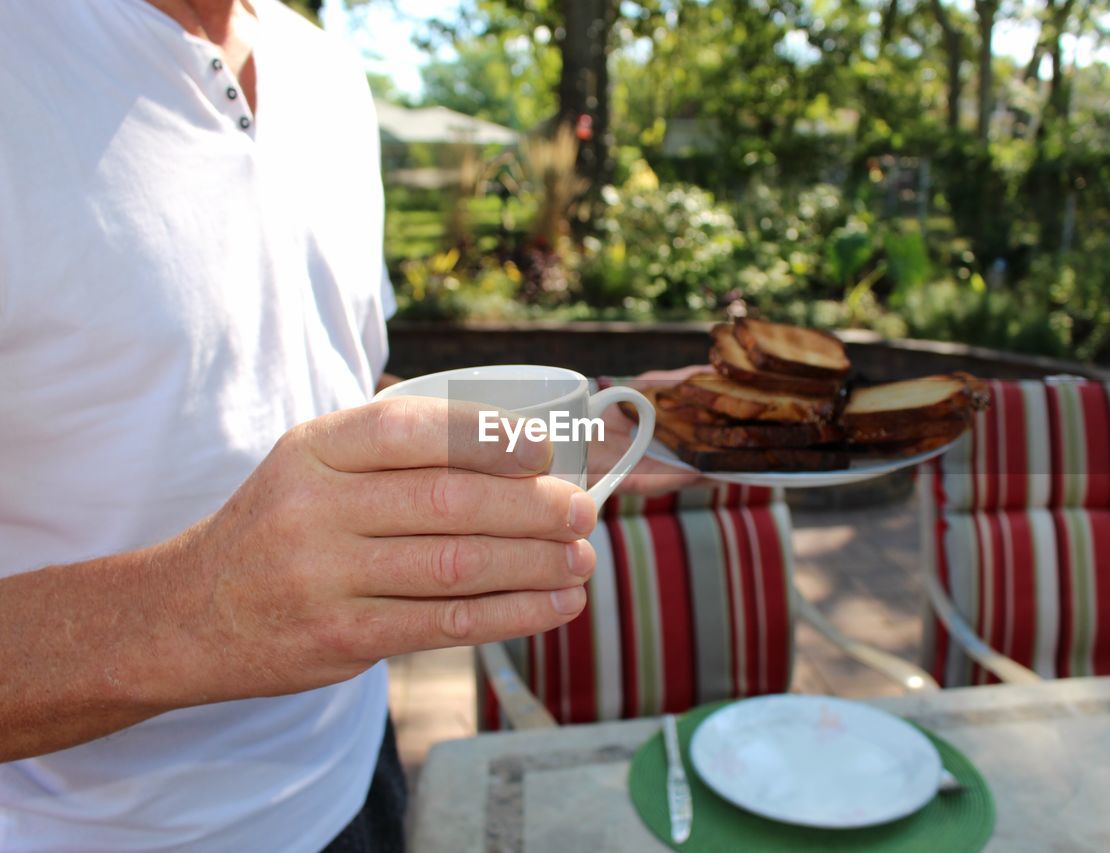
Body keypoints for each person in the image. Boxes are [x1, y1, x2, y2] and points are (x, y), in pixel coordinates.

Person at [0, 1, 696, 850]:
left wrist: (581, 433)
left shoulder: (328, 71)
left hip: (361, 779)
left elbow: (335, 382)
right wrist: (203, 605)